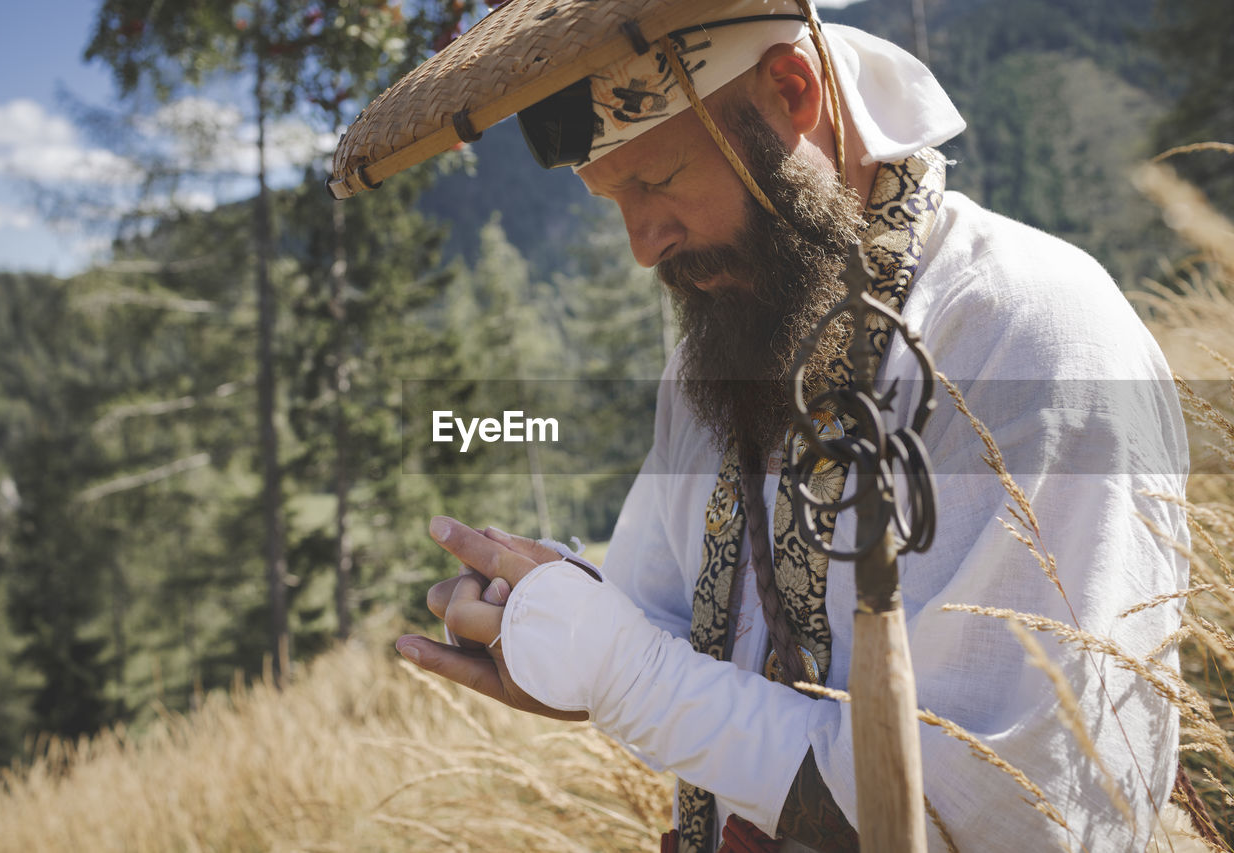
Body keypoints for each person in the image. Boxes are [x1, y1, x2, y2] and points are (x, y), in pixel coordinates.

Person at [369, 2, 1194, 850]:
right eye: (612, 199)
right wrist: (547, 621)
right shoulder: (721, 358)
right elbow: (664, 623)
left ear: (792, 92)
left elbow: (1005, 811)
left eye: (657, 180)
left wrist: (626, 676)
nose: (642, 246)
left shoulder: (1026, 333)